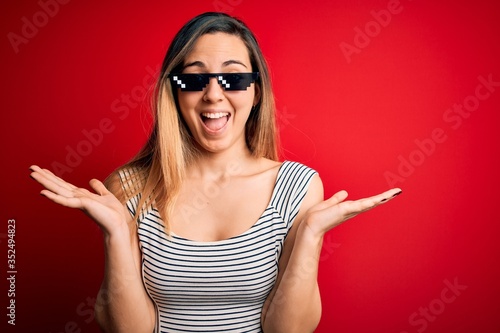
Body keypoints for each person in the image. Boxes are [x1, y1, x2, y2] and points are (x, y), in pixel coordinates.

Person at [30, 12, 401, 333]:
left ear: (256, 92)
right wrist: (115, 235)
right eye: (193, 79)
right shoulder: (130, 188)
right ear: (174, 93)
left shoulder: (297, 187)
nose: (212, 94)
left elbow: (286, 330)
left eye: (233, 78)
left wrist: (309, 234)